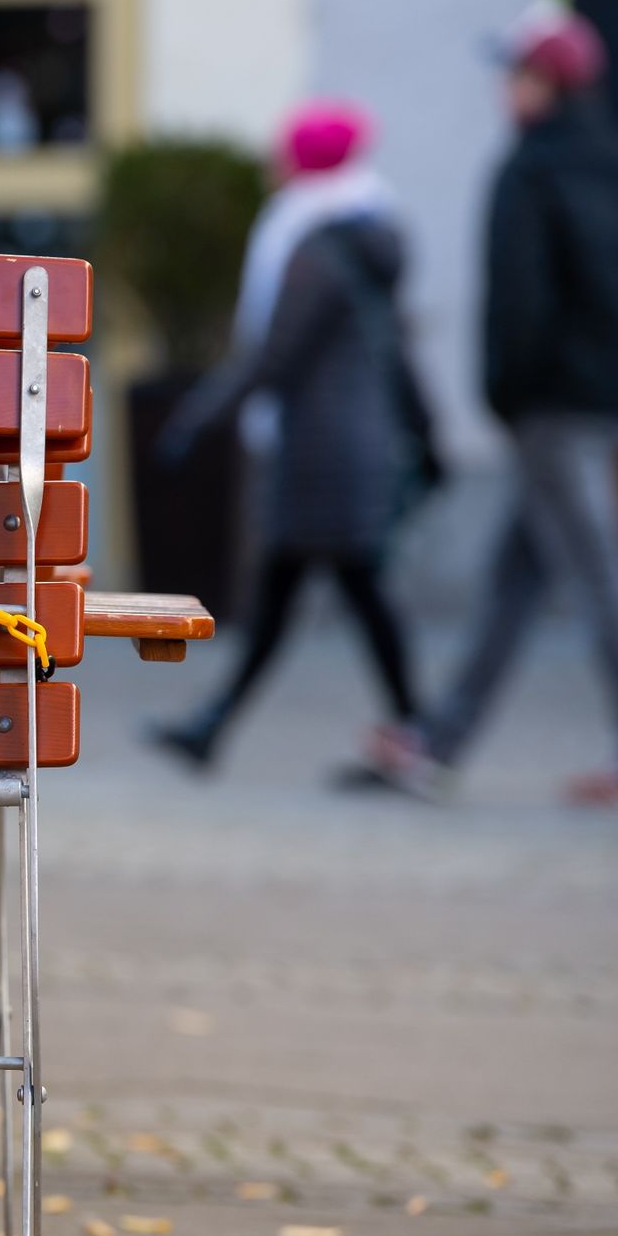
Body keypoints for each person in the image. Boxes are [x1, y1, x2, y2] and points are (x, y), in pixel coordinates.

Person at [372, 5, 618, 806]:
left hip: (552, 408)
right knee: (517, 576)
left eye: (514, 72)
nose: (502, 88)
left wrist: (505, 394)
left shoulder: (531, 168)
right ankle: (439, 743)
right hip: (609, 403)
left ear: (547, 82)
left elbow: (517, 301)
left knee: (600, 573)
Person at [149, 100, 434, 770]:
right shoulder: (371, 236)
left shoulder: (314, 246)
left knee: (340, 593)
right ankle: (213, 727)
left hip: (318, 452)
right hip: (353, 444)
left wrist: (196, 419)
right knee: (306, 594)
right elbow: (397, 348)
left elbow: (272, 358)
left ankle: (416, 727)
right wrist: (428, 434)